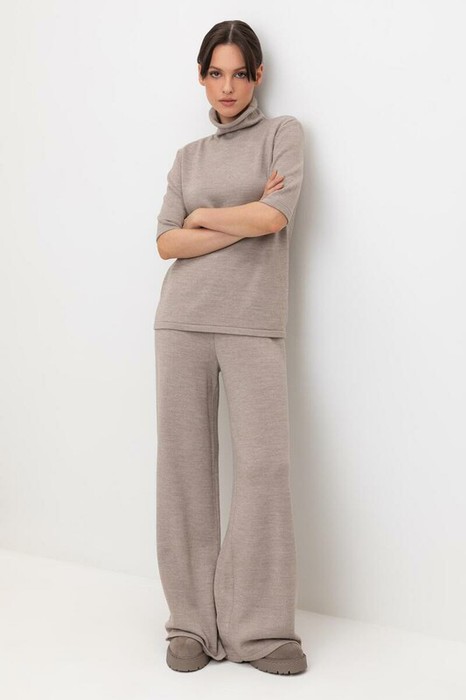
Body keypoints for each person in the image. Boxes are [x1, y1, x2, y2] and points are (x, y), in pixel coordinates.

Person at [153, 19, 307, 675]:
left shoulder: (283, 135)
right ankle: (191, 622)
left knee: (265, 467)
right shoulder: (188, 157)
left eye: (239, 73)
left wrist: (206, 217)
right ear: (201, 76)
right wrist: (242, 216)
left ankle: (259, 630)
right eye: (215, 73)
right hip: (182, 320)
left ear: (257, 75)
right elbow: (166, 242)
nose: (227, 87)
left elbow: (274, 216)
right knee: (184, 469)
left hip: (252, 322)